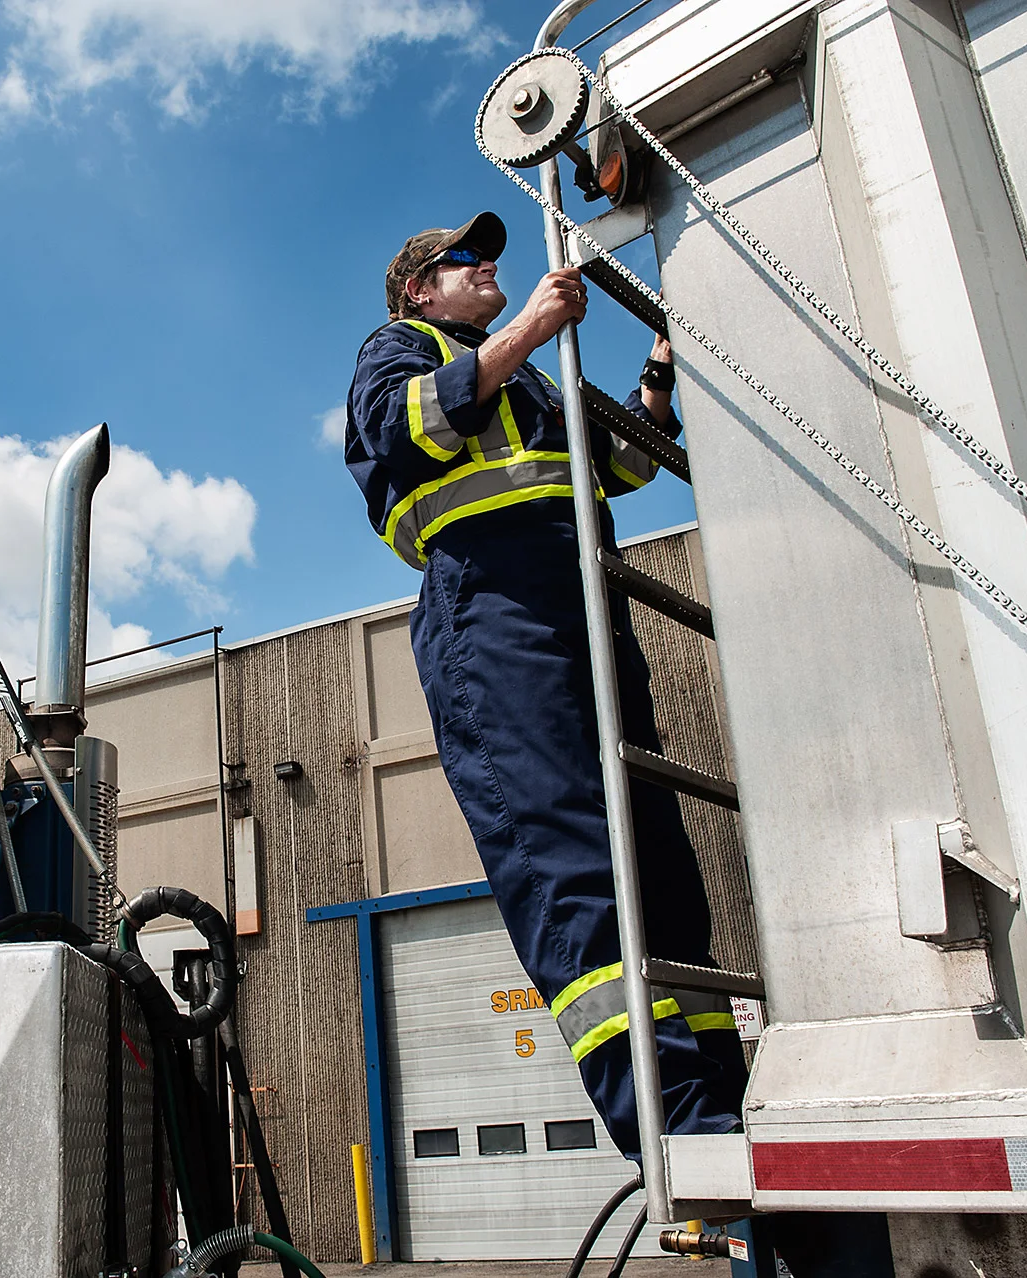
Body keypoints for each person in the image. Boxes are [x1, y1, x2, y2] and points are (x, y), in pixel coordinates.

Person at [344, 211, 747, 1159]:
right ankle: (671, 1123)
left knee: (659, 865)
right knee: (569, 857)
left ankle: (727, 1098)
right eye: (464, 259)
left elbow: (628, 460)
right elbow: (406, 430)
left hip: (586, 603)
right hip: (493, 609)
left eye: (490, 256)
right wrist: (530, 325)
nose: (486, 265)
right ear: (419, 289)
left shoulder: (526, 376)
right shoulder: (397, 350)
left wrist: (658, 363)